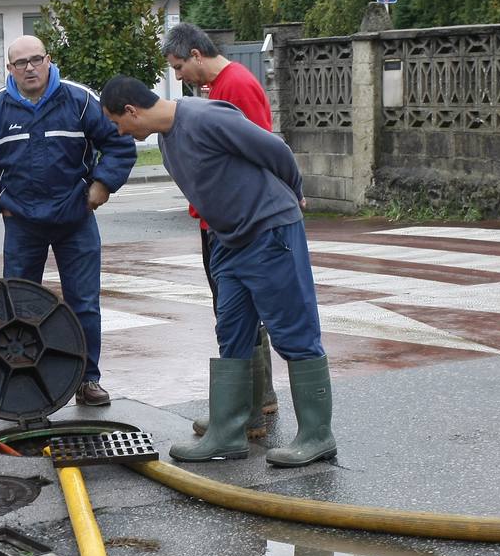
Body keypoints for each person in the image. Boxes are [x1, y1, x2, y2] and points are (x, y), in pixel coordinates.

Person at [98, 74, 336, 467]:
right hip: (230, 241)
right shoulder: (165, 140)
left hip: (269, 231)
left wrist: (292, 194)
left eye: (116, 123)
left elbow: (274, 149)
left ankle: (317, 435)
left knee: (294, 331)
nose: (119, 131)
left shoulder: (206, 117)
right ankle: (227, 433)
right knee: (232, 332)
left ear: (131, 111)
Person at [0, 36, 136, 406]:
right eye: (20, 62)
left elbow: (120, 143)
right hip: (23, 224)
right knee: (19, 305)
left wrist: (102, 186)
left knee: (84, 303)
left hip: (75, 218)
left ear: (48, 60)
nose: (29, 67)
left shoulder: (79, 101)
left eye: (36, 59)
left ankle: (87, 380)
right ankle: (26, 382)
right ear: (9, 69)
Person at [163, 23, 280, 441]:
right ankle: (257, 400)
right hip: (220, 219)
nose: (178, 77)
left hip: (234, 222)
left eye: (179, 67)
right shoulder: (218, 88)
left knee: (237, 314)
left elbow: (259, 150)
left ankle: (243, 412)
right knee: (237, 313)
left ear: (196, 54)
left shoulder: (237, 86)